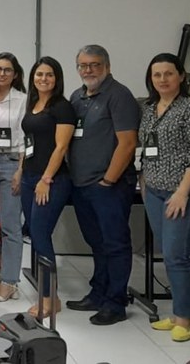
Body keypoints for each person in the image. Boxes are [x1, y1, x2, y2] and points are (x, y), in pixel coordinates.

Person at [139, 53, 190, 342]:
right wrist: (144, 183)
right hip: (154, 192)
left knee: (176, 255)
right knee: (169, 256)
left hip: (185, 194)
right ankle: (178, 312)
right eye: (157, 75)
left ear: (181, 76)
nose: (162, 80)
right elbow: (145, 148)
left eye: (168, 73)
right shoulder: (149, 109)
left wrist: (182, 192)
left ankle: (185, 317)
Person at [65, 44, 139, 326]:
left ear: (106, 66)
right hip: (82, 185)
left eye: (94, 65)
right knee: (97, 243)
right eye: (83, 65)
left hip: (109, 186)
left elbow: (128, 142)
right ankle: (98, 293)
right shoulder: (77, 97)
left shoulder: (119, 96)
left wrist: (109, 179)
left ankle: (115, 303)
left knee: (115, 244)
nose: (88, 70)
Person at [19, 56, 75, 318]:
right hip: (30, 177)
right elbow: (29, 141)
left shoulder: (61, 107)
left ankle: (50, 299)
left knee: (41, 236)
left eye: (49, 75)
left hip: (51, 180)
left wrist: (45, 179)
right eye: (39, 74)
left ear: (57, 78)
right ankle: (50, 295)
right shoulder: (34, 104)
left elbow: (61, 147)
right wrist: (21, 171)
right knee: (35, 234)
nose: (43, 79)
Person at [0, 52, 28, 302]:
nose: (2, 73)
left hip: (11, 162)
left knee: (10, 225)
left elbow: (25, 138)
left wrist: (21, 169)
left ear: (15, 74)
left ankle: (10, 280)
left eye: (7, 70)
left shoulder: (22, 100)